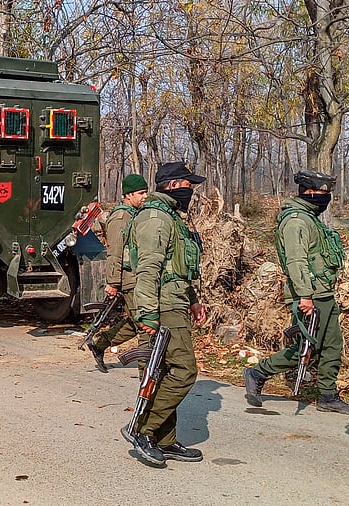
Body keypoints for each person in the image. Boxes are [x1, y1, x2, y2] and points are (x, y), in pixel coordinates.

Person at [243, 171, 349, 415]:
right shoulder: (296, 220)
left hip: (323, 292)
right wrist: (305, 295)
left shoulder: (310, 218)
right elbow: (297, 262)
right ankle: (258, 372)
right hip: (309, 295)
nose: (327, 197)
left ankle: (327, 396)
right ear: (309, 192)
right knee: (305, 347)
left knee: (332, 346)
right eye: (323, 192)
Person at [125, 161, 207, 466]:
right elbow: (149, 268)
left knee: (165, 373)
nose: (192, 190)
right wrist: (147, 313)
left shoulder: (172, 217)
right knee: (185, 371)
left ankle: (165, 439)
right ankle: (144, 430)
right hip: (161, 306)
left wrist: (193, 299)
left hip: (175, 301)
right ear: (173, 186)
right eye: (188, 185)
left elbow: (179, 269)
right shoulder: (156, 218)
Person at [85, 174, 149, 373]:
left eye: (146, 192)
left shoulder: (135, 214)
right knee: (145, 324)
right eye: (141, 193)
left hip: (137, 277)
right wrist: (112, 282)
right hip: (128, 280)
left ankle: (100, 343)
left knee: (136, 321)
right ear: (128, 195)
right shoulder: (121, 217)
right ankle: (146, 368)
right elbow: (115, 252)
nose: (145, 196)